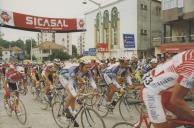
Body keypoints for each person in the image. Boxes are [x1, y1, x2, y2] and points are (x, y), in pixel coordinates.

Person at [142, 49, 194, 128]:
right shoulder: (190, 68)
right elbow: (176, 100)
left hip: (165, 89)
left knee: (189, 119)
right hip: (152, 92)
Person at [59, 60, 97, 127]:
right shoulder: (74, 70)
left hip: (72, 78)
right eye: (86, 67)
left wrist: (96, 89)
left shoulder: (87, 71)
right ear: (81, 66)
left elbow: (91, 80)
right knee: (72, 94)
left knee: (74, 97)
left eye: (89, 67)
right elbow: (70, 84)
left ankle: (72, 114)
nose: (88, 69)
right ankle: (64, 111)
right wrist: (77, 94)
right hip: (63, 76)